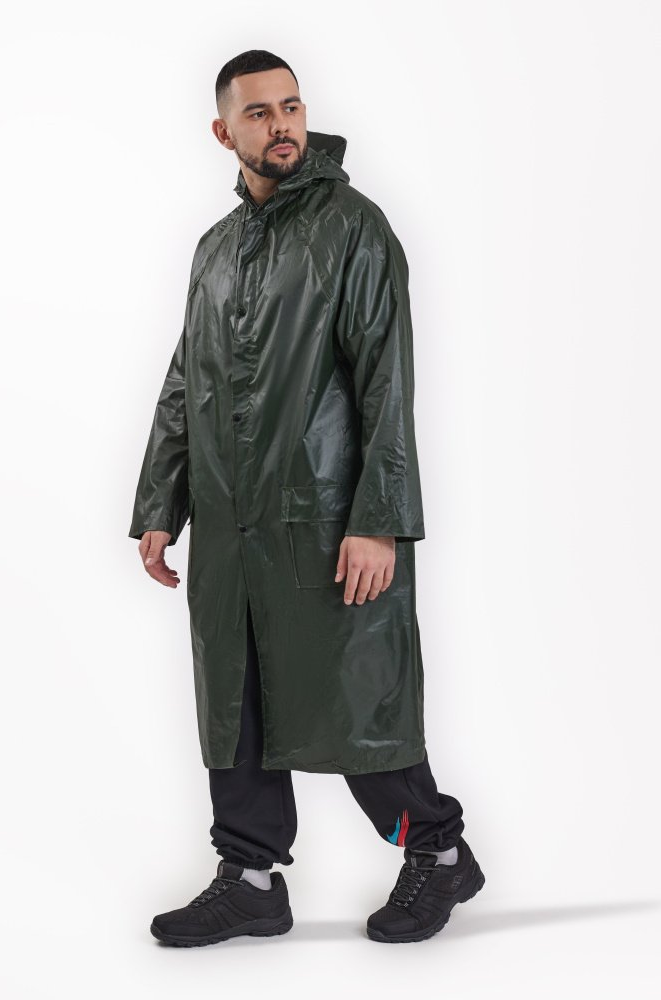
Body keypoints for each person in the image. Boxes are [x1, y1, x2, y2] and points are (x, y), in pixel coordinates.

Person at [129, 49, 485, 947]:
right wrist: (161, 501)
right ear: (224, 132)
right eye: (259, 113)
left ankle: (438, 851)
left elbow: (386, 381)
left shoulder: (353, 228)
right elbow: (185, 382)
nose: (281, 124)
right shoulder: (215, 249)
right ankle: (249, 879)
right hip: (230, 523)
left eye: (290, 106)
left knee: (355, 702)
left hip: (325, 520)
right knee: (237, 705)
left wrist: (378, 520)